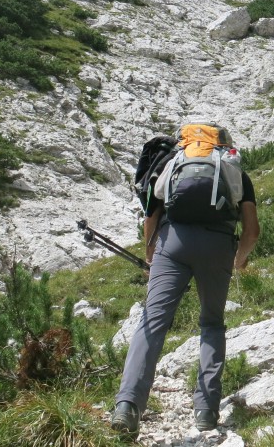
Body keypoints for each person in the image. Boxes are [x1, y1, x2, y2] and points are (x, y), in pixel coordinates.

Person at [110, 140, 260, 437]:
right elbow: (252, 231)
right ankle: (206, 412)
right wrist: (238, 259)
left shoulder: (171, 164)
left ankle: (127, 406)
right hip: (218, 245)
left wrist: (151, 258)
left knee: (152, 322)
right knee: (212, 324)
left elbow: (150, 217)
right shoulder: (233, 170)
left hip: (171, 244)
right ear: (222, 145)